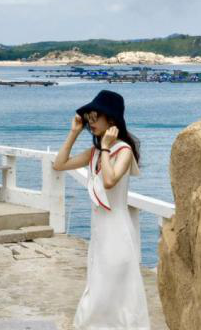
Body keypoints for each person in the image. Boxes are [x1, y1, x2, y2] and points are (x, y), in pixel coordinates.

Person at [52, 90, 149, 329]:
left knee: (117, 288)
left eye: (96, 117)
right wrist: (74, 132)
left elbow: (109, 181)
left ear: (112, 120)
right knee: (98, 283)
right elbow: (59, 164)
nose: (91, 122)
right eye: (89, 118)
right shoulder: (94, 152)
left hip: (117, 229)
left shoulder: (123, 150)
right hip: (100, 231)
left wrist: (105, 148)